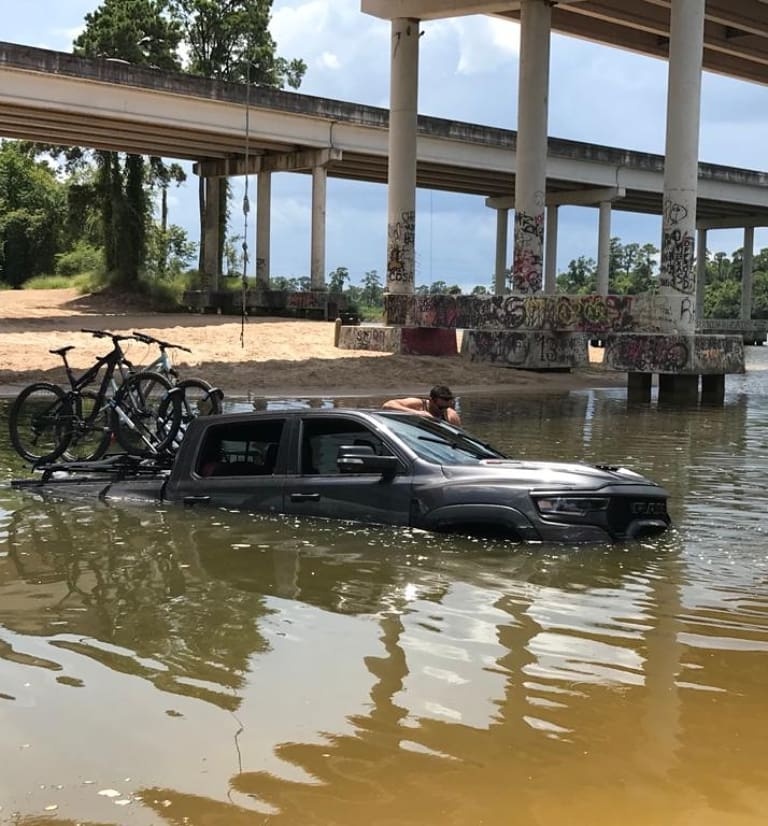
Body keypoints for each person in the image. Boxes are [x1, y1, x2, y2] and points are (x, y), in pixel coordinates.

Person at [382, 385, 462, 426]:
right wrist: (418, 413)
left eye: (446, 407)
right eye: (440, 407)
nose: (443, 410)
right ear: (431, 401)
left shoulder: (451, 417)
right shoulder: (418, 404)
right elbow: (387, 405)